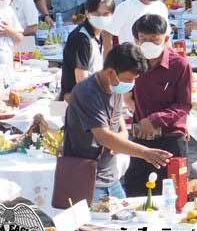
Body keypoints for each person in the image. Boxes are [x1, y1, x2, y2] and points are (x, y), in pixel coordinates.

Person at [59, 42, 172, 202]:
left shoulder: (116, 88)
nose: (130, 84)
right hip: (87, 179)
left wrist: (120, 140)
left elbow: (121, 127)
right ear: (111, 72)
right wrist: (145, 153)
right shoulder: (87, 92)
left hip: (111, 178)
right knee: (95, 227)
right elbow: (104, 136)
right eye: (127, 79)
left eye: (133, 80)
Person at [123, 13, 191, 197]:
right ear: (136, 40)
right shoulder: (132, 63)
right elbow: (125, 94)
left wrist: (155, 120)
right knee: (135, 193)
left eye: (154, 40)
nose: (148, 45)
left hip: (171, 137)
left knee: (173, 195)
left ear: (165, 39)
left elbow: (184, 105)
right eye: (143, 40)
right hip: (141, 139)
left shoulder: (180, 65)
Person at [60, 0, 115, 100]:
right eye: (97, 14)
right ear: (87, 13)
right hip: (78, 100)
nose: (101, 18)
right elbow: (82, 80)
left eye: (106, 14)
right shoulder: (81, 39)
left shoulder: (102, 34)